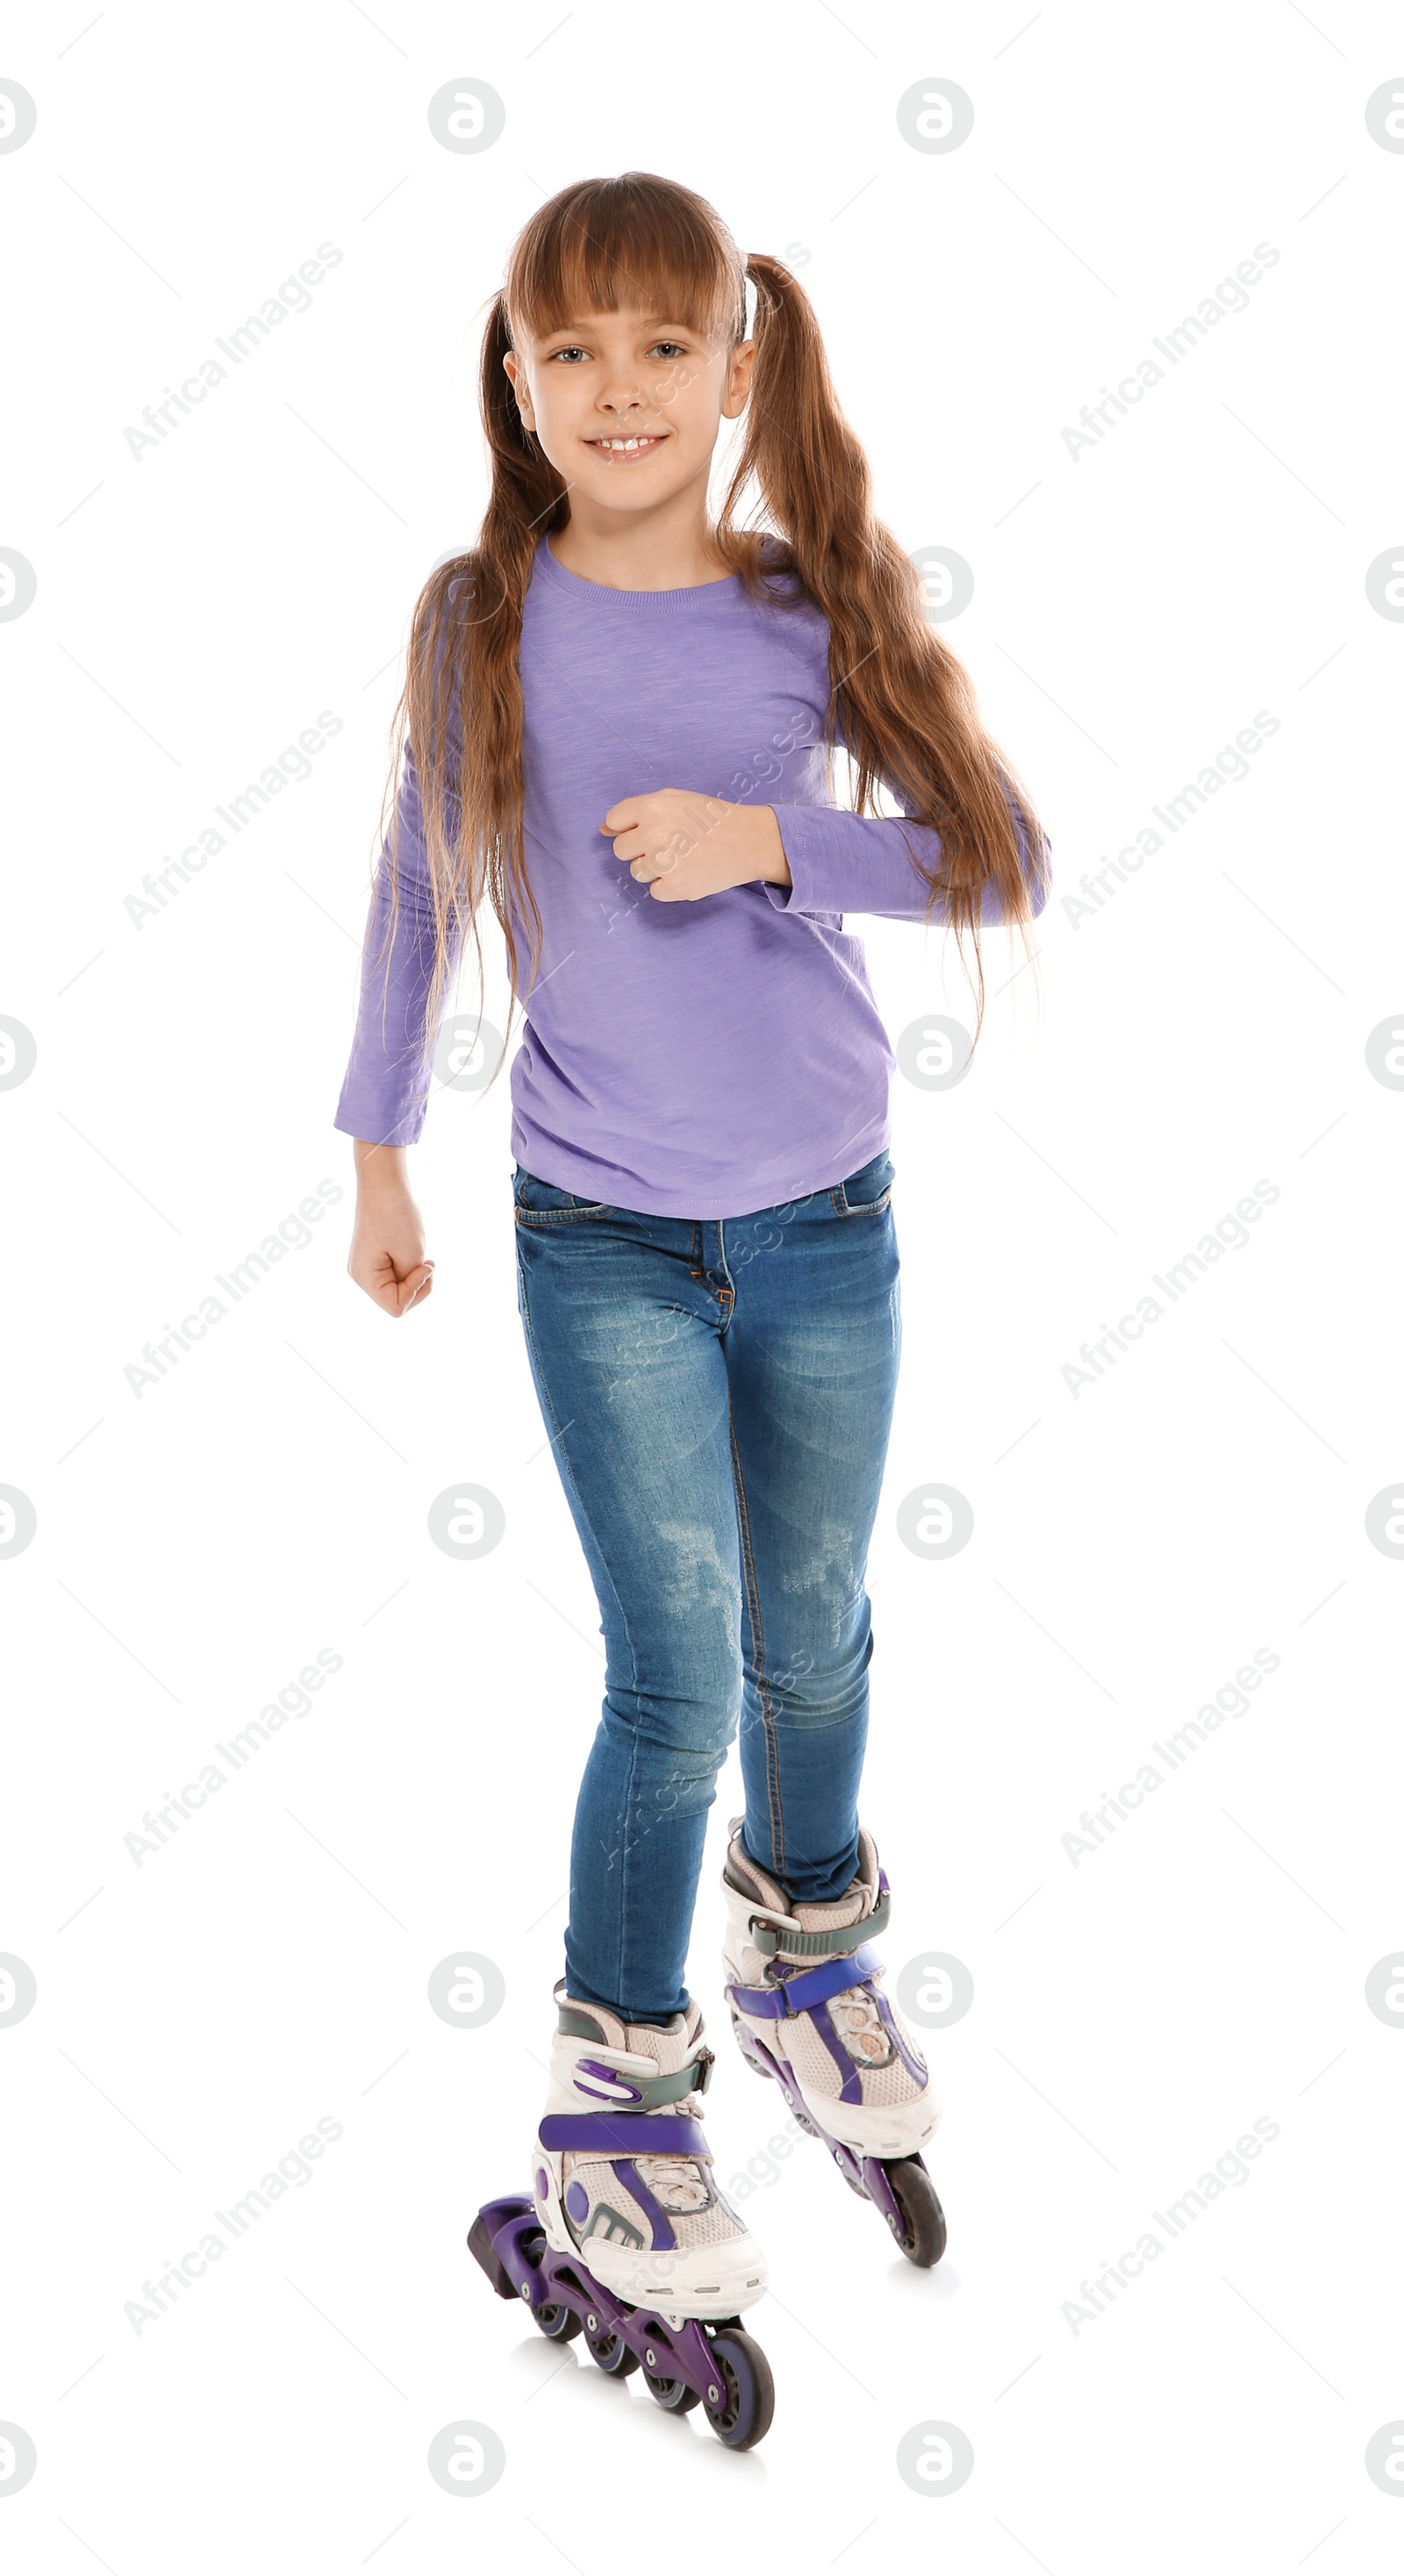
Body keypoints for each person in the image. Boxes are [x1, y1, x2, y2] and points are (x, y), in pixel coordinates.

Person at [334, 170, 1050, 2439]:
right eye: (572, 349)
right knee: (670, 1679)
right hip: (603, 1232)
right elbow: (411, 892)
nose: (617, 389)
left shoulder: (804, 599)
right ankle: (615, 2108)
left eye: (665, 347)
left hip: (828, 1211)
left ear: (738, 372)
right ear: (516, 380)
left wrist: (774, 845)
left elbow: (992, 855)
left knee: (814, 1629)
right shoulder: (481, 616)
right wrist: (375, 1145)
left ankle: (809, 1950)